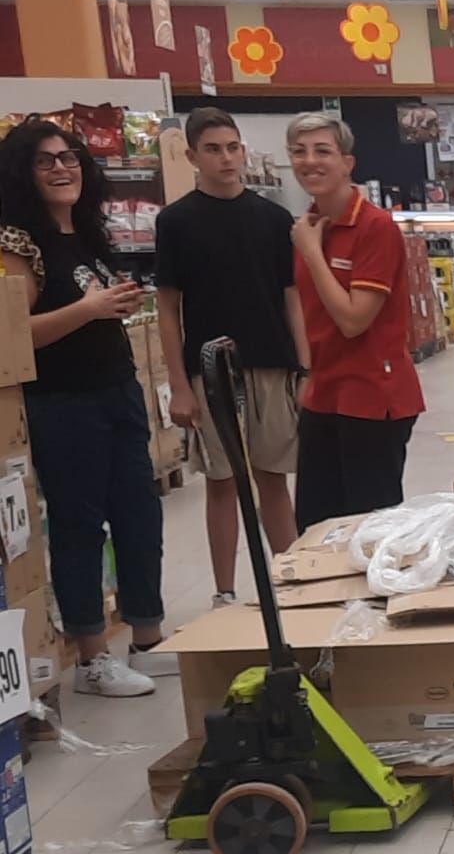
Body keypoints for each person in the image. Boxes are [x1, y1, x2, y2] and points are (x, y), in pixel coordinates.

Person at [0, 120, 173, 698]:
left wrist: (114, 304)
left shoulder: (86, 232)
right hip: (63, 402)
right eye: (45, 160)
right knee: (79, 525)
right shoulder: (17, 243)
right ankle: (92, 658)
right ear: (22, 173)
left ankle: (147, 637)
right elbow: (14, 334)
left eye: (69, 157)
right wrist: (89, 309)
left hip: (116, 389)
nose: (61, 168)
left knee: (139, 515)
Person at [156, 106, 307, 608]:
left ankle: (290, 581)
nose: (226, 158)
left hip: (271, 364)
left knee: (273, 478)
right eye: (213, 149)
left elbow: (291, 299)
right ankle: (223, 592)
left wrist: (305, 368)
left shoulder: (274, 219)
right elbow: (168, 308)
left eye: (233, 147)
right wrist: (180, 385)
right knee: (220, 482)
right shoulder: (175, 222)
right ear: (192, 156)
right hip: (210, 372)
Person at [286, 113, 424, 533]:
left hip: (372, 395)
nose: (310, 161)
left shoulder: (374, 227)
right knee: (316, 527)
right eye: (299, 152)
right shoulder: (310, 225)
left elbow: (353, 320)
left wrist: (312, 253)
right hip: (324, 393)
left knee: (369, 530)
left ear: (347, 162)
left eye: (322, 151)